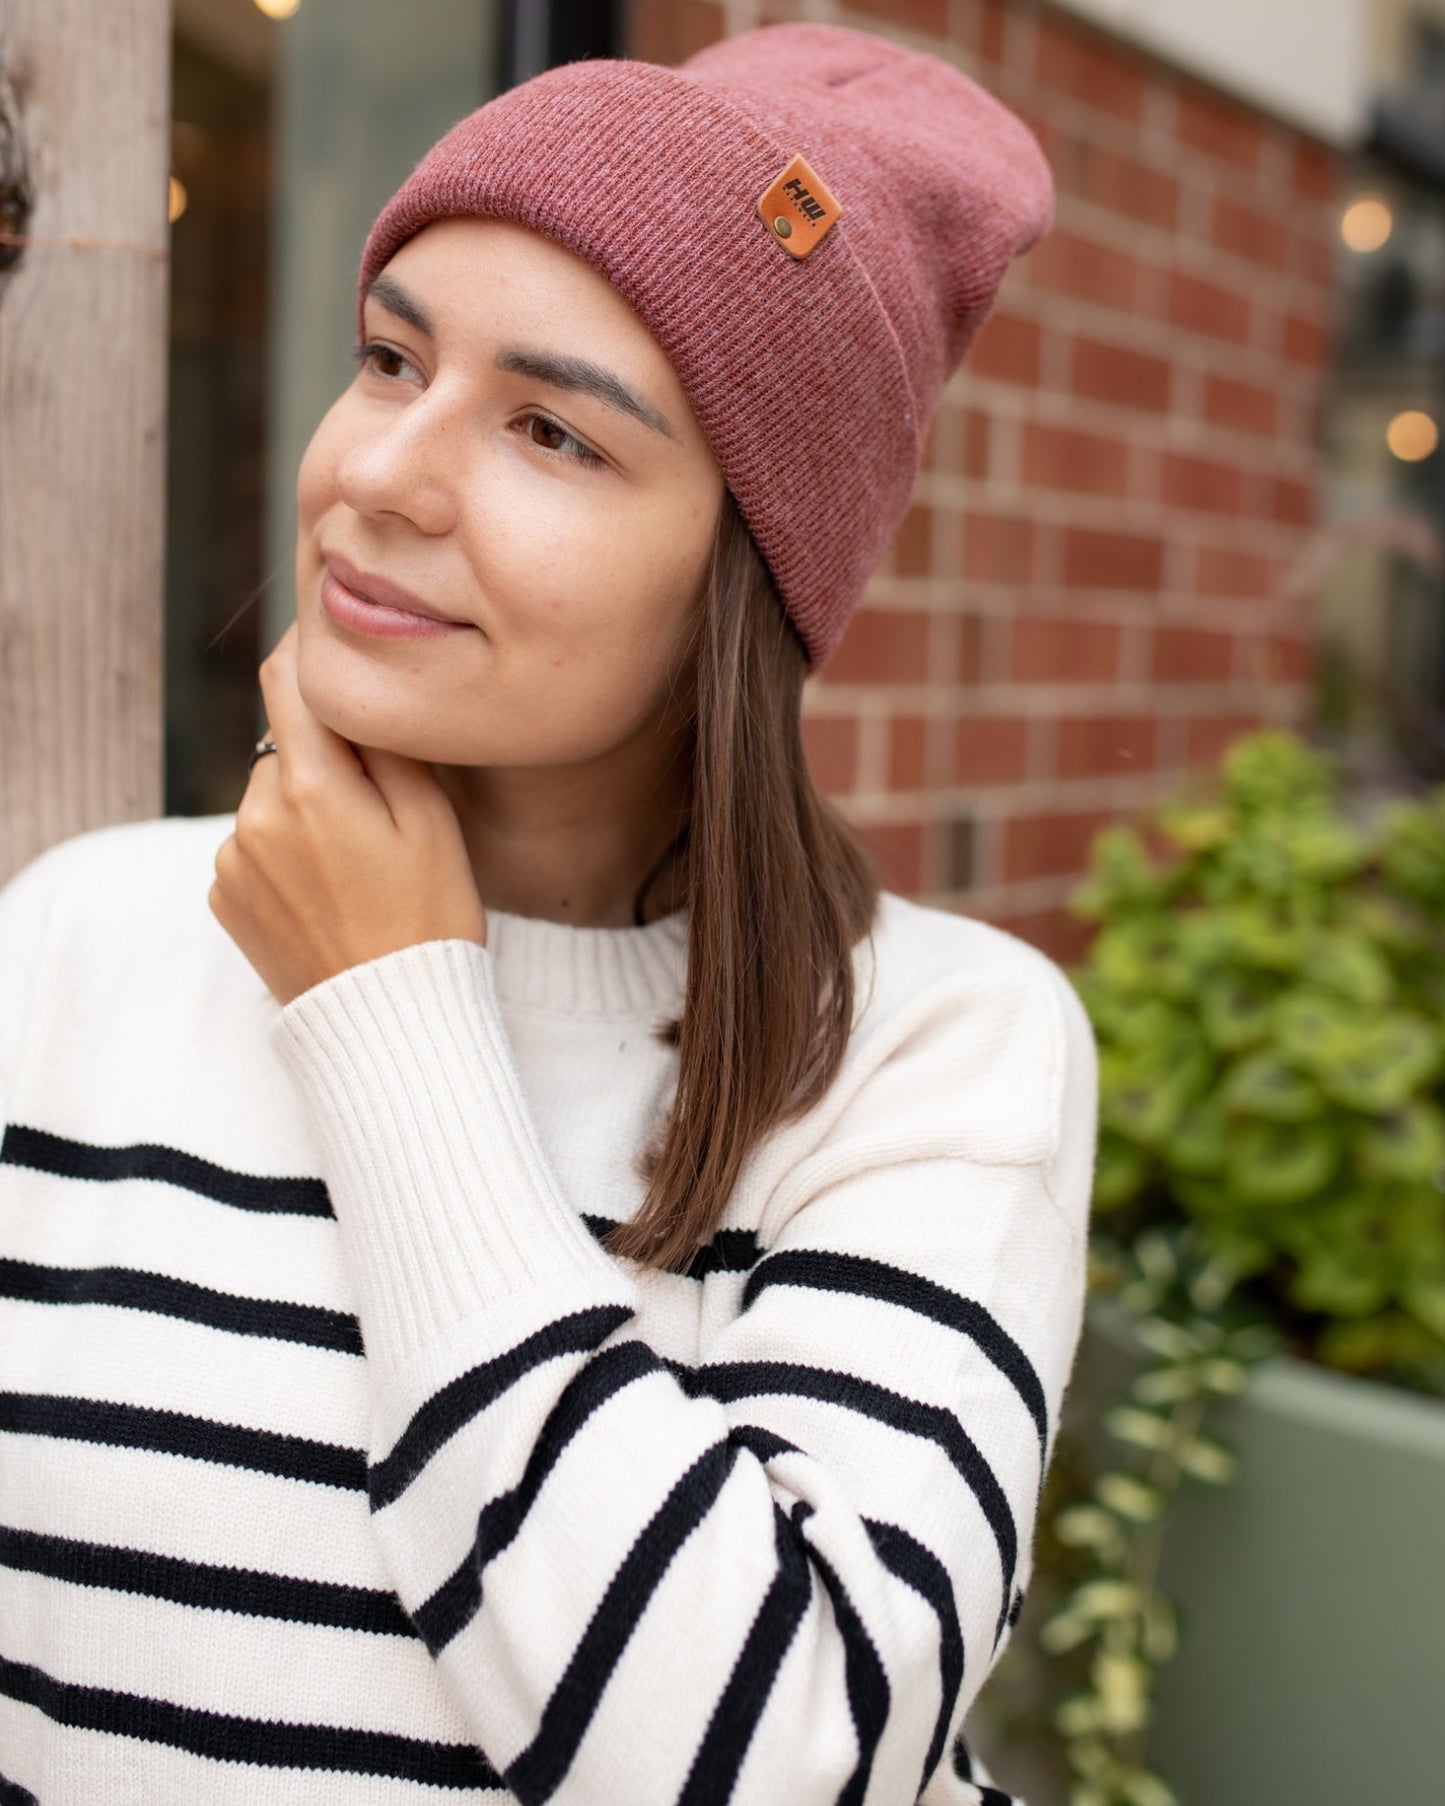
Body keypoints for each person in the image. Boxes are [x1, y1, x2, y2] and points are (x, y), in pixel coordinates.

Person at [0, 22, 1097, 1806]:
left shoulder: (926, 1046)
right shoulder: (74, 940)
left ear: (748, 568)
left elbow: (777, 1759)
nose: (381, 475)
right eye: (388, 359)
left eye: (550, 430)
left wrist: (391, 1013)